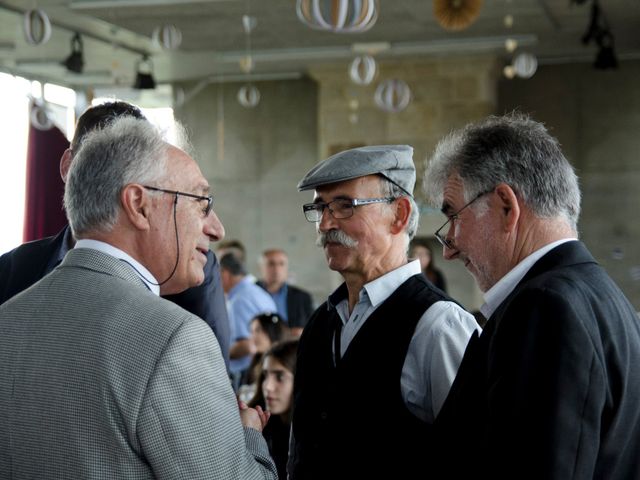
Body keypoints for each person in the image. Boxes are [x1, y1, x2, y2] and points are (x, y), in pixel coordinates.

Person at [0, 116, 277, 479]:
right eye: (201, 202)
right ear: (139, 204)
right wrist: (249, 437)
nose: (216, 228)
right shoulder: (174, 338)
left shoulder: (8, 318)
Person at [423, 113, 640, 479]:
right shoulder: (598, 293)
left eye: (453, 218)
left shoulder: (545, 308)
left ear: (506, 206)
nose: (449, 249)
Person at [288, 145, 480, 479]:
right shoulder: (322, 321)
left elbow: (474, 455)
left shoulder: (439, 325)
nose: (325, 224)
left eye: (345, 206)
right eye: (320, 208)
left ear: (400, 214)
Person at [0, 101, 232, 371]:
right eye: (96, 160)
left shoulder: (190, 268)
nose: (110, 175)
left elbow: (209, 378)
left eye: (131, 160)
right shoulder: (15, 268)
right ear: (69, 166)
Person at [220, 252, 277, 391]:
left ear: (225, 274)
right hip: (264, 367)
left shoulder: (238, 300)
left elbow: (246, 345)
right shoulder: (259, 292)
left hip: (245, 375)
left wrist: (217, 354)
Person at [249, 339, 299, 480]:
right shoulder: (259, 421)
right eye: (265, 375)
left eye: (279, 377)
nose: (268, 387)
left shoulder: (308, 439)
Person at [257, 248, 314, 336]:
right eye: (271, 264)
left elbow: (314, 328)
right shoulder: (251, 294)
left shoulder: (303, 297)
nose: (276, 269)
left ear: (287, 268)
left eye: (281, 264)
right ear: (261, 268)